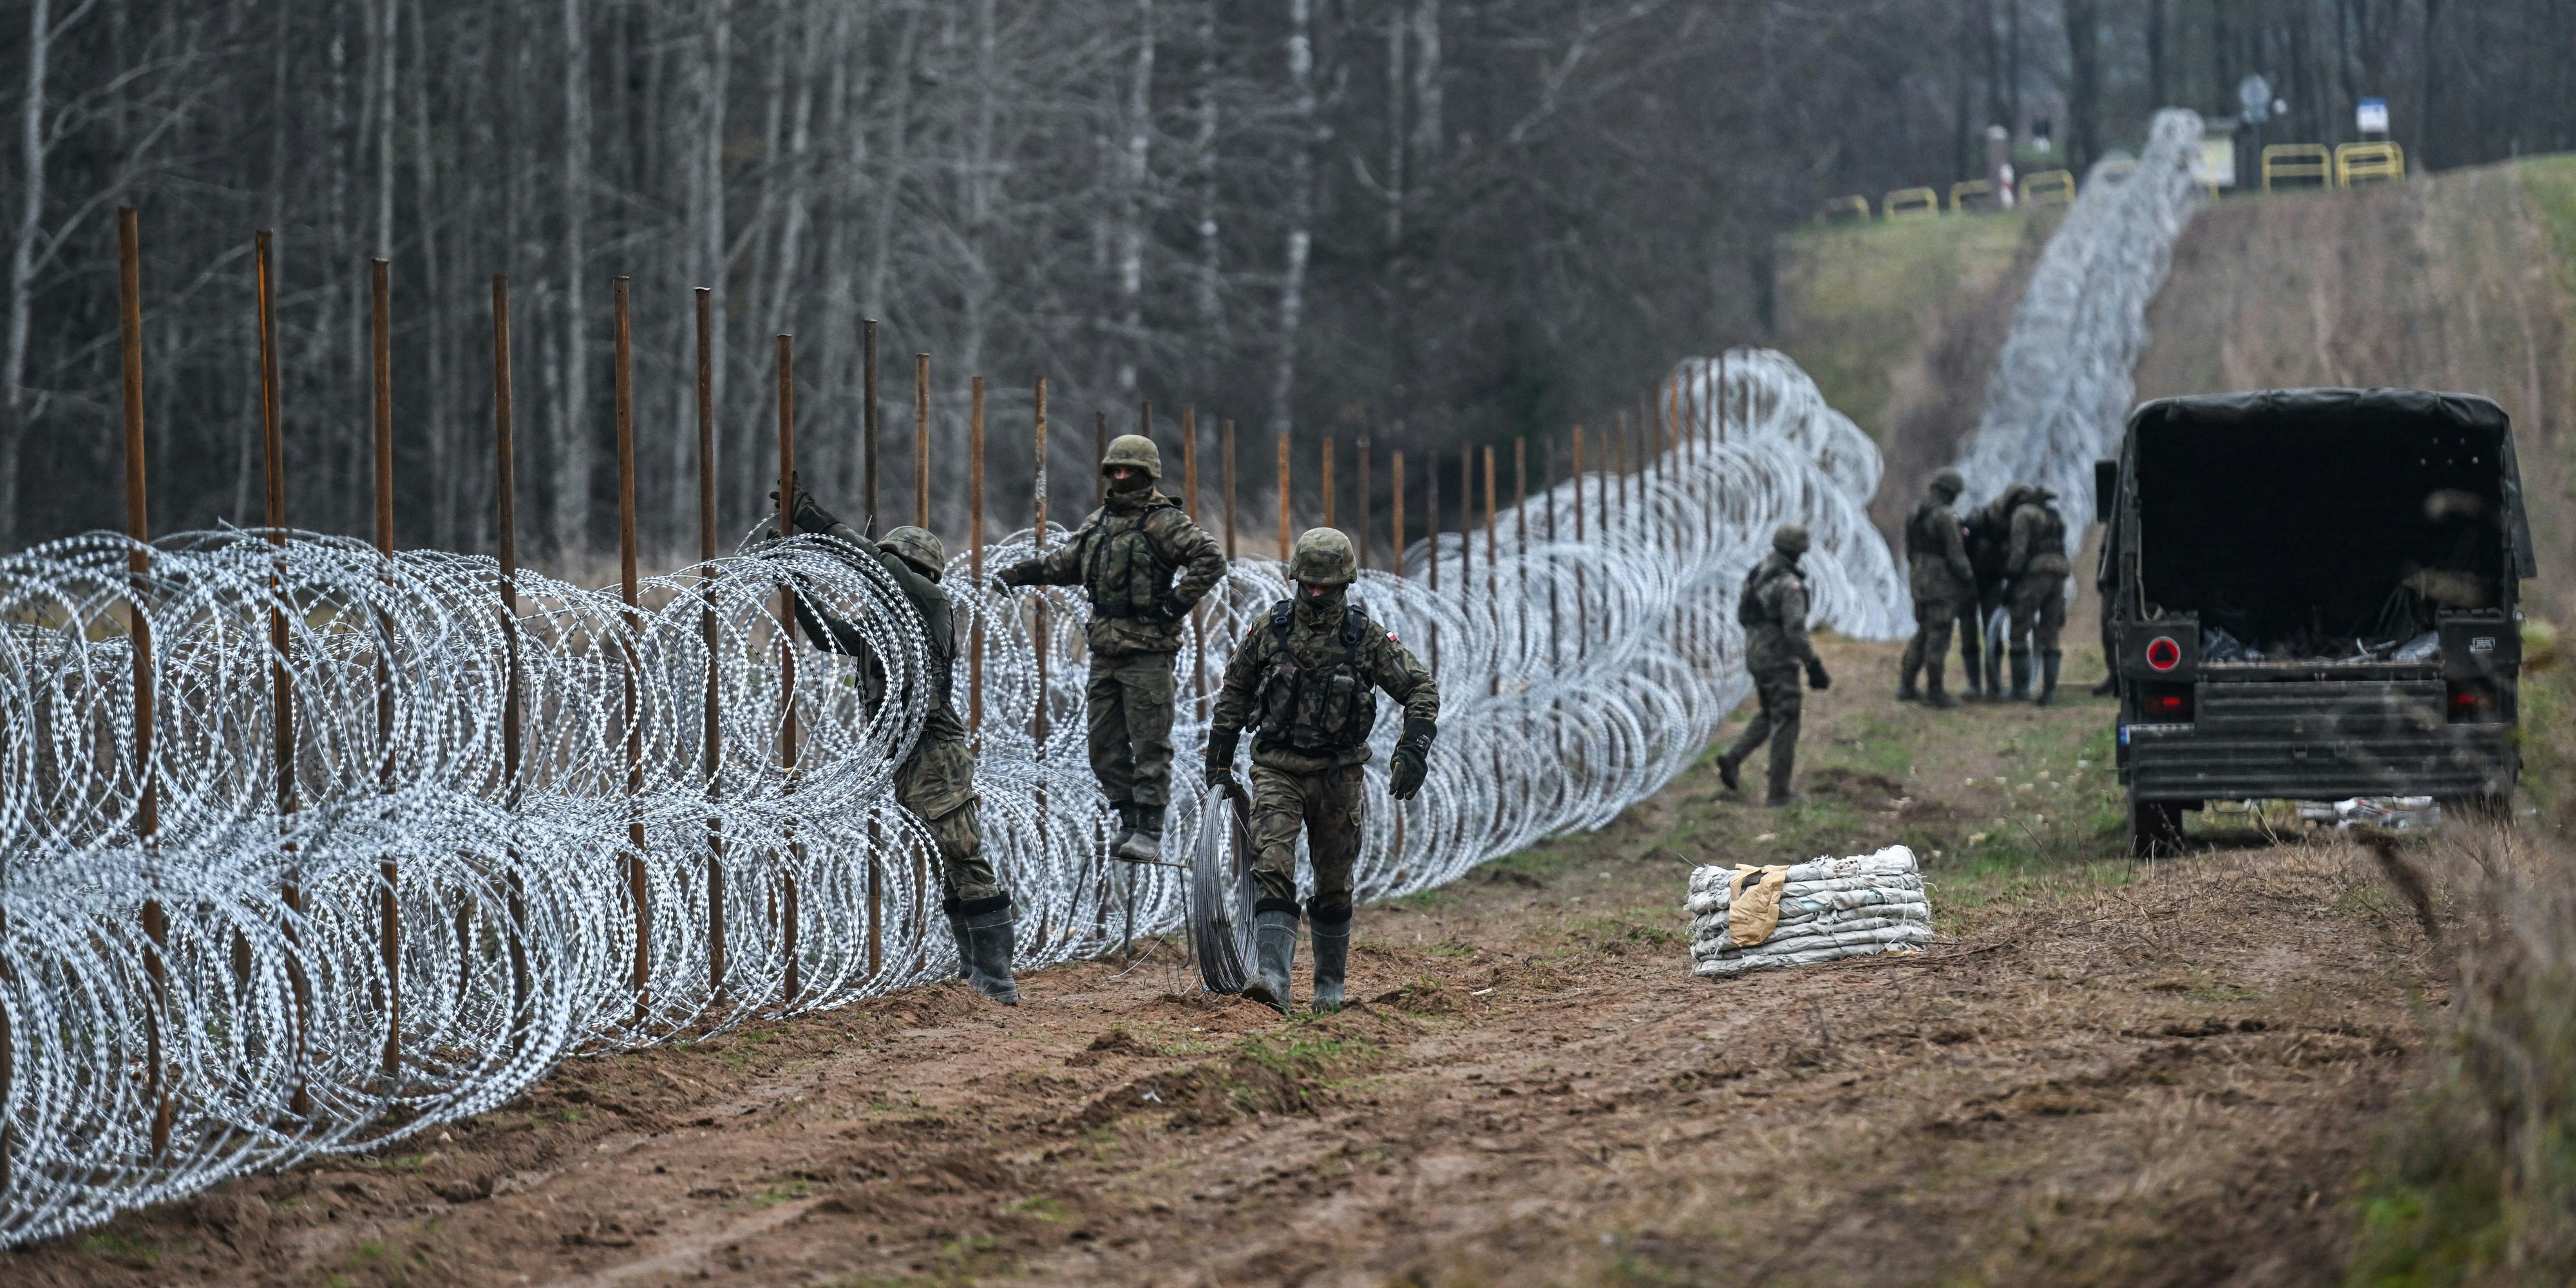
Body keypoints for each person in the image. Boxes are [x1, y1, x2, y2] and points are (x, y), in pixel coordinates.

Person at [770, 487, 1019, 1005]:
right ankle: (976, 974)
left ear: (914, 570)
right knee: (948, 857)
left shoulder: (928, 602)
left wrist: (821, 524)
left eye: (894, 565)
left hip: (935, 747)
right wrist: (794, 582)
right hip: (907, 753)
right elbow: (827, 636)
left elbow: (881, 570)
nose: (886, 576)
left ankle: (997, 980)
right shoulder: (884, 625)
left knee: (962, 851)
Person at [1205, 528, 1438, 1015]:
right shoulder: (1272, 630)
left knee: (1334, 882)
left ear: (1344, 584)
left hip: (1338, 776)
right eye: (1307, 584)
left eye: (1324, 587)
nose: (1314, 594)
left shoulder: (1365, 639)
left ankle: (1329, 987)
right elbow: (1234, 692)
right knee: (1272, 866)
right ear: (1295, 580)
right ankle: (1273, 980)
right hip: (1277, 770)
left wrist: (1413, 748)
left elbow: (1419, 687)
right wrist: (1220, 763)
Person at [995, 434, 1227, 864]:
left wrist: (1174, 604)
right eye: (1115, 469)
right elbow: (1065, 565)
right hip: (1104, 649)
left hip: (1146, 650)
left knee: (1149, 742)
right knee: (1103, 747)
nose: (1121, 476)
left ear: (1146, 473)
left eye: (1129, 470)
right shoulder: (1099, 522)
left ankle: (1151, 828)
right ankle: (1127, 818)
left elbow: (1210, 560)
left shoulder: (1164, 522)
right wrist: (1019, 573)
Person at [1716, 524, 1832, 806]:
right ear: (1798, 552)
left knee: (1770, 713)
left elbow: (1743, 616)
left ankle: (1733, 757)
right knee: (1787, 719)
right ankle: (1779, 792)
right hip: (1779, 659)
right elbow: (1794, 630)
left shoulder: (1758, 573)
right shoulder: (1789, 584)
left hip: (1755, 653)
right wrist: (1813, 664)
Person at [1898, 468, 1975, 708]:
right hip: (1940, 583)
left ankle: (1907, 684)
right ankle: (1935, 691)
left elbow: (1910, 550)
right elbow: (1956, 553)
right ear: (1950, 492)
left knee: (1923, 631)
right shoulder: (1944, 516)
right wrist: (1968, 578)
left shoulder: (1916, 513)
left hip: (1919, 579)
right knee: (1939, 634)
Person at [1963, 482, 2034, 699]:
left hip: (1993, 586)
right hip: (1968, 584)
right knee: (1969, 636)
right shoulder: (1977, 522)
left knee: (1993, 637)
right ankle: (1974, 685)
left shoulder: (2015, 528)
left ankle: (1994, 687)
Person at [2005, 486, 2072, 704]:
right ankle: (2049, 693)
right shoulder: (2054, 516)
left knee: (2019, 630)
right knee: (2050, 634)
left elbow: (2019, 553)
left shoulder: (2023, 514)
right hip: (2060, 574)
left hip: (2036, 575)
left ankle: (2020, 689)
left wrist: (2011, 582)